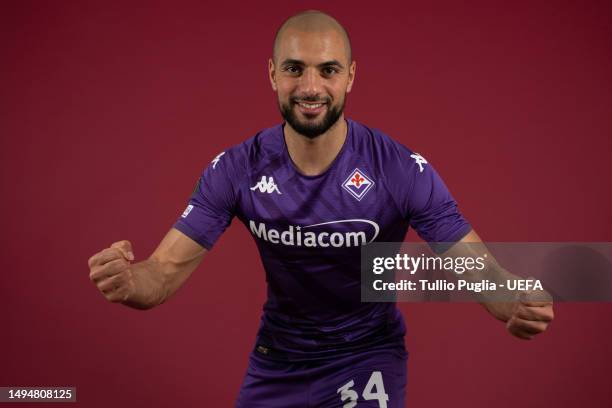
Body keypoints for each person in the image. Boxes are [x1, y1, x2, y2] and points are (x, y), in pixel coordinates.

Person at [87, 10, 554, 407]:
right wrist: (130, 281)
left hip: (368, 355)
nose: (310, 87)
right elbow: (162, 273)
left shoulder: (399, 170)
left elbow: (476, 267)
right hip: (278, 360)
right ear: (272, 73)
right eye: (295, 68)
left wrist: (514, 300)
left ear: (350, 76)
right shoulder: (235, 169)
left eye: (328, 70)